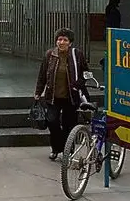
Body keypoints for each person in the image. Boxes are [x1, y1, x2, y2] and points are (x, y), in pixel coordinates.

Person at [34, 28, 90, 160]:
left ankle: (68, 151)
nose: (61, 42)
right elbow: (42, 75)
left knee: (69, 125)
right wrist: (38, 92)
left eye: (65, 40)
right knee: (52, 121)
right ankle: (56, 148)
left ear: (70, 43)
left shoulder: (77, 55)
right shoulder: (50, 55)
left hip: (71, 97)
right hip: (53, 96)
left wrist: (78, 85)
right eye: (59, 39)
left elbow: (86, 74)